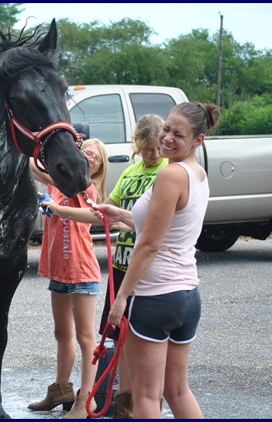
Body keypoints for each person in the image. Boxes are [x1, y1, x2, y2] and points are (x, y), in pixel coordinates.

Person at [92, 102, 220, 418]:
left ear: (198, 140)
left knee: (146, 397)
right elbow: (166, 226)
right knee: (177, 390)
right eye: (166, 129)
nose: (167, 138)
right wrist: (121, 213)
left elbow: (149, 244)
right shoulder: (197, 174)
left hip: (153, 297)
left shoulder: (169, 175)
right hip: (187, 296)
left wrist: (121, 298)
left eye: (179, 134)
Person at [39, 115, 167, 418]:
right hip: (110, 265)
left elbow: (107, 216)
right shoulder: (128, 174)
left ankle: (93, 399)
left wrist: (58, 208)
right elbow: (102, 215)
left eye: (94, 156)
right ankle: (107, 398)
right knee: (111, 335)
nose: (155, 154)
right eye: (148, 149)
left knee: (107, 338)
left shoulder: (91, 190)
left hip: (114, 269)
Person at [27, 138, 107, 419]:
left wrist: (58, 209)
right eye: (85, 152)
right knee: (62, 333)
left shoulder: (85, 187)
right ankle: (60, 390)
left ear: (97, 168)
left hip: (82, 270)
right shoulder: (57, 184)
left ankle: (87, 400)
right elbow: (35, 168)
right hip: (59, 271)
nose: (89, 157)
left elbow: (90, 215)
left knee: (86, 337)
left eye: (95, 157)